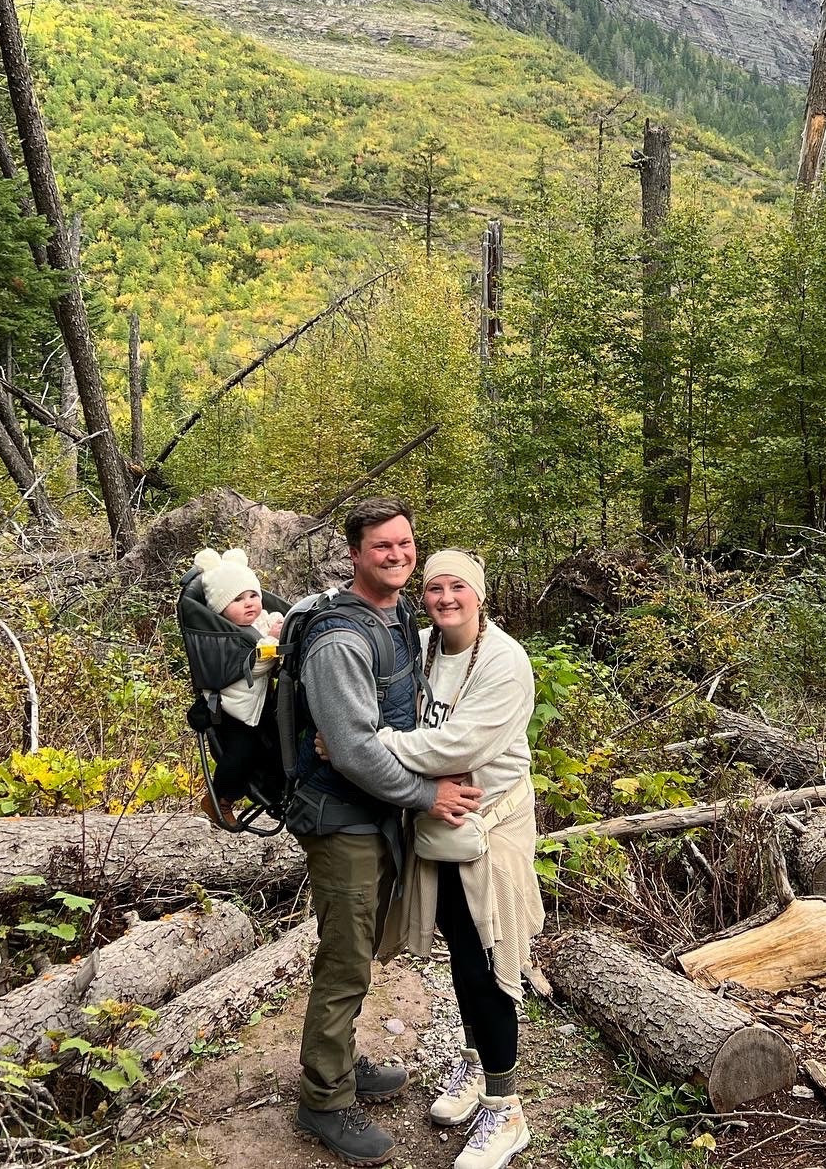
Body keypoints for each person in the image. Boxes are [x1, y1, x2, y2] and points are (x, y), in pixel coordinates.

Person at [291, 499, 484, 1167]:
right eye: (382, 547)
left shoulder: (397, 613)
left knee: (362, 944)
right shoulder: (341, 638)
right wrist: (427, 794)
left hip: (372, 813)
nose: (398, 555)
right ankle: (324, 1099)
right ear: (354, 553)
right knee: (344, 958)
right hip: (340, 817)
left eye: (405, 544)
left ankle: (339, 1062)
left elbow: (390, 719)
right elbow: (354, 752)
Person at [377, 549, 543, 1169]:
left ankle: (507, 1111)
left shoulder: (505, 662)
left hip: (491, 823)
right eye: (435, 587)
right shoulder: (419, 647)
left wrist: (370, 747)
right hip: (438, 819)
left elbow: (459, 743)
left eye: (458, 587)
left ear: (479, 594)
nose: (446, 598)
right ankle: (476, 1072)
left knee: (488, 958)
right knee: (458, 949)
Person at [188, 547, 285, 828]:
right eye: (237, 599)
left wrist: (278, 624)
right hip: (232, 711)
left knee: (269, 750)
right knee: (239, 755)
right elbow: (252, 665)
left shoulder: (257, 622)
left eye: (253, 595)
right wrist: (274, 642)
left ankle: (270, 793)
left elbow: (271, 623)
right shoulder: (224, 635)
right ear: (220, 608)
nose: (249, 603)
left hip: (256, 706)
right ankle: (219, 799)